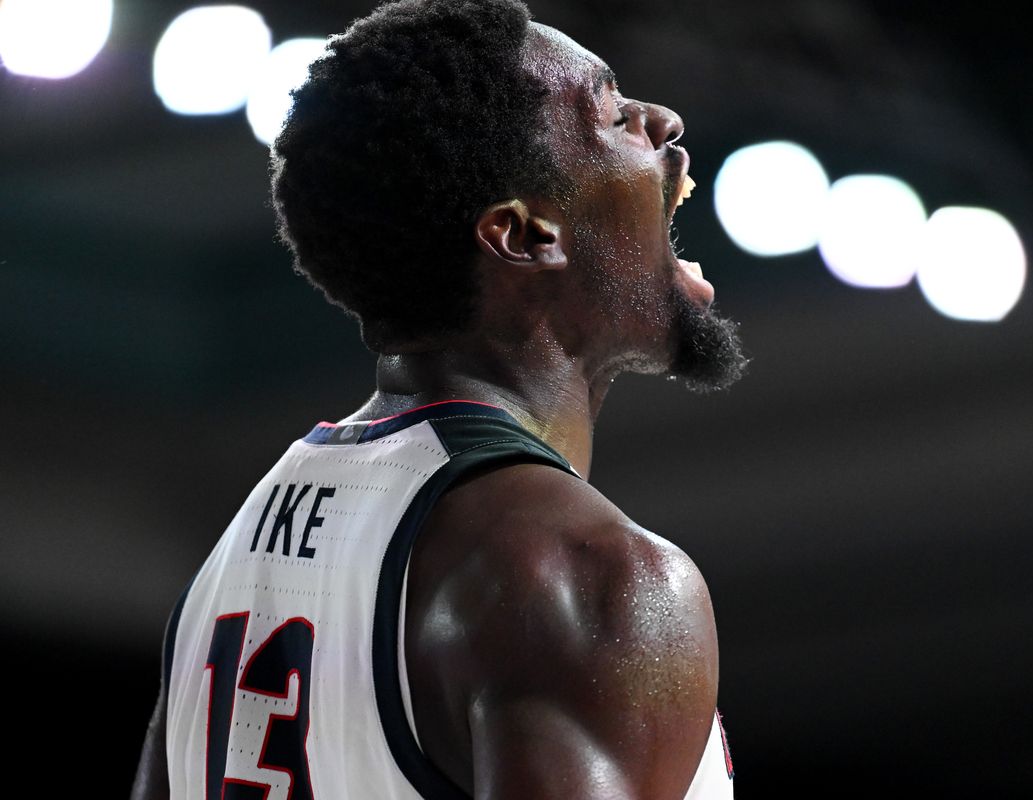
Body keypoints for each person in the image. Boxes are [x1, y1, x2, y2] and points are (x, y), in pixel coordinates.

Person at [131, 0, 747, 797]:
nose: (662, 120)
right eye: (613, 114)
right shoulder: (588, 575)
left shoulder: (232, 563)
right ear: (526, 237)